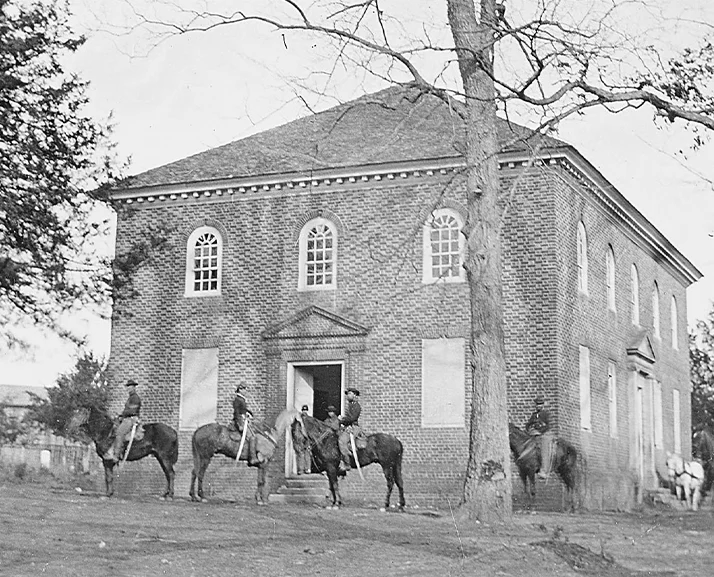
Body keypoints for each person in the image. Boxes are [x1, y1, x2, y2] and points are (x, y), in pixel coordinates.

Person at [105, 379, 142, 462]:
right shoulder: (130, 398)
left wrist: (122, 414)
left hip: (131, 419)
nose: (128, 389)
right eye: (127, 387)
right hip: (127, 418)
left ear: (134, 387)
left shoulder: (135, 398)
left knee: (119, 433)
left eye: (130, 387)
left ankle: (116, 455)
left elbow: (132, 411)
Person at [525, 395, 554, 479]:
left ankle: (544, 471)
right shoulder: (534, 415)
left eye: (540, 404)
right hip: (534, 434)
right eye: (537, 404)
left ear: (543, 405)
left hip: (545, 434)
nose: (538, 406)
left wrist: (539, 431)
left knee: (544, 446)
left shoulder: (546, 414)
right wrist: (529, 429)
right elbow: (528, 425)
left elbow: (548, 426)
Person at [337, 388, 362, 472]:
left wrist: (342, 420)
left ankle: (347, 464)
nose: (348, 396)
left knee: (342, 441)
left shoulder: (356, 405)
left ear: (354, 395)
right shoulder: (350, 405)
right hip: (349, 425)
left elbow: (353, 418)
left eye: (350, 394)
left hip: (353, 427)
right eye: (347, 394)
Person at [295, 405, 311, 474]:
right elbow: (296, 430)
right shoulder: (298, 420)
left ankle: (307, 468)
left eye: (305, 410)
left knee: (307, 453)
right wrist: (298, 438)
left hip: (307, 439)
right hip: (300, 439)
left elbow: (310, 430)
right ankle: (300, 469)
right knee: (300, 453)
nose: (304, 412)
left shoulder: (309, 420)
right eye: (303, 410)